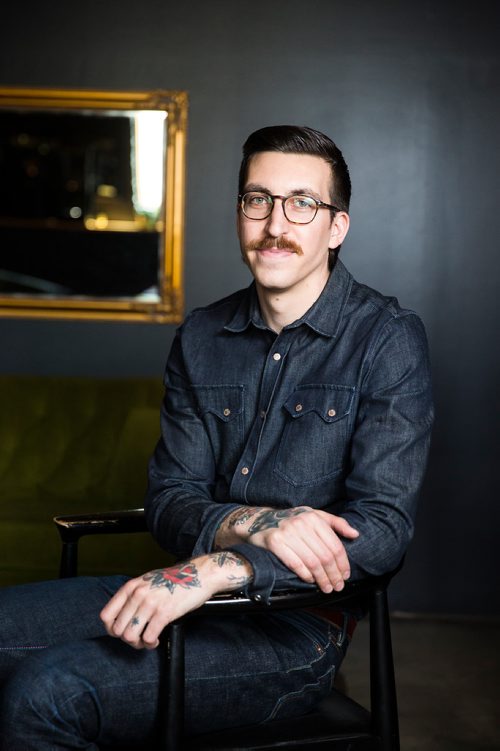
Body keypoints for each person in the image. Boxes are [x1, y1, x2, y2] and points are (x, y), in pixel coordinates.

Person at [0, 125, 433, 749]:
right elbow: (171, 498)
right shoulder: (202, 336)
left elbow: (382, 532)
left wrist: (215, 568)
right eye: (258, 200)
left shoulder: (387, 339)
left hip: (294, 633)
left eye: (302, 203)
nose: (275, 223)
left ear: (336, 226)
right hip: (185, 599)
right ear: (240, 214)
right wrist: (259, 523)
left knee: (49, 691)